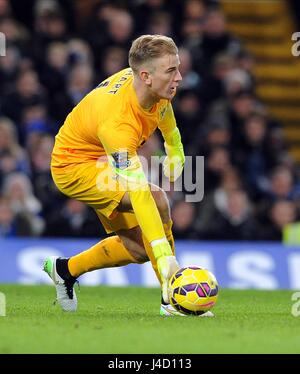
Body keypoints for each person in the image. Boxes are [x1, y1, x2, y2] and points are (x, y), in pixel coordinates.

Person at [43, 34, 212, 317]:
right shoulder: (118, 124)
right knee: (155, 199)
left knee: (137, 249)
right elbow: (139, 192)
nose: (180, 77)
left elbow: (167, 121)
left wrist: (176, 152)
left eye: (178, 68)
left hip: (100, 159)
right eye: (172, 71)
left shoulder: (152, 89)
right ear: (145, 76)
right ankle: (171, 297)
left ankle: (65, 270)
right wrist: (165, 256)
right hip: (73, 167)